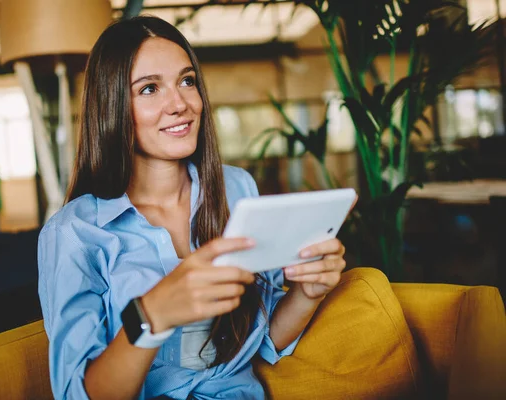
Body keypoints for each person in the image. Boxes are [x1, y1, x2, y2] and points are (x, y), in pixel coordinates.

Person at [38, 16, 348, 400]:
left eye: (187, 81)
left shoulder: (236, 189)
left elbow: (262, 341)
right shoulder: (74, 232)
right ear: (112, 106)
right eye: (150, 88)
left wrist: (308, 291)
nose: (180, 104)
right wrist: (150, 316)